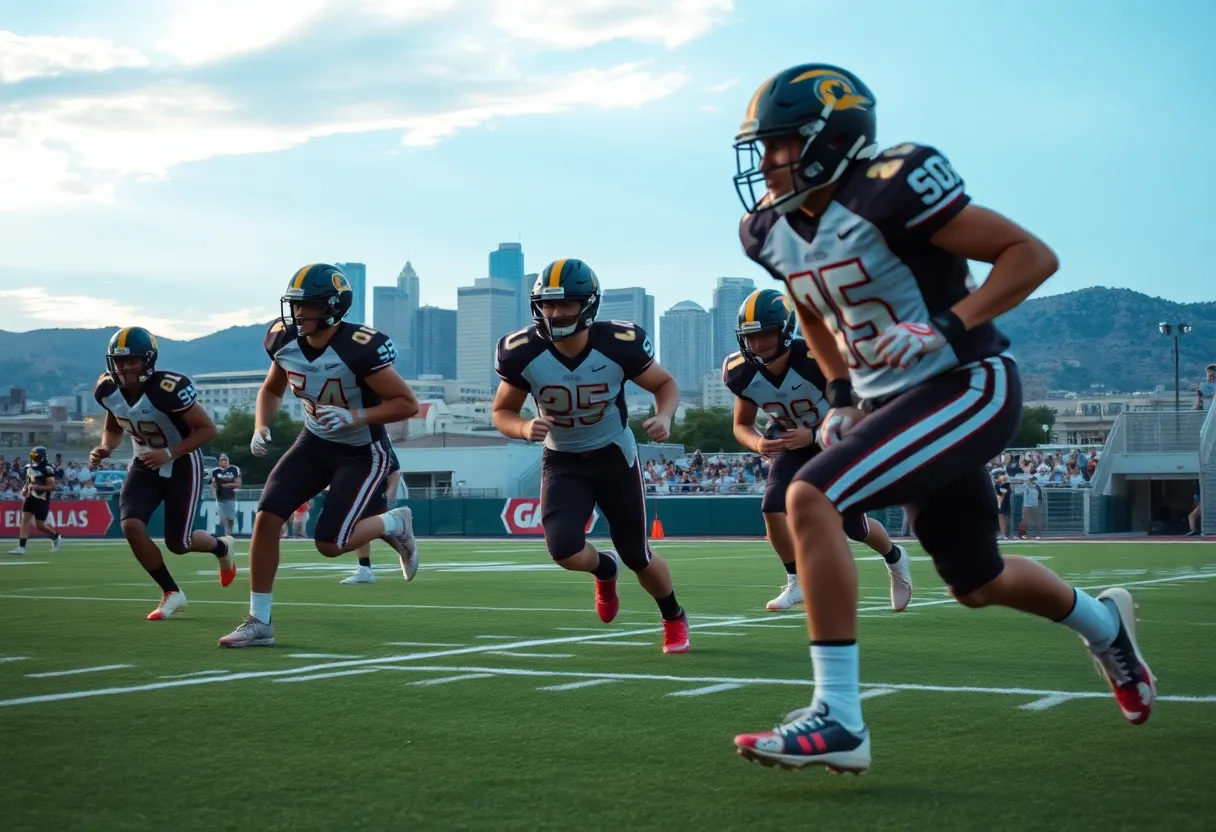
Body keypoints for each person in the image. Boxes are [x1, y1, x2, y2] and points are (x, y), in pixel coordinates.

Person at [728, 64, 1155, 774]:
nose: (765, 164)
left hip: (966, 382)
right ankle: (1107, 626)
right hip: (889, 402)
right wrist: (838, 393)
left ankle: (838, 716)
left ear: (829, 141)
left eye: (778, 145)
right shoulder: (768, 231)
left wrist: (947, 326)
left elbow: (1030, 255)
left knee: (812, 495)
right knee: (975, 580)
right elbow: (808, 302)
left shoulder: (891, 188)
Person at [492, 258, 690, 653]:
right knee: (563, 549)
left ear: (588, 305)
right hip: (562, 458)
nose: (556, 312)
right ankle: (604, 567)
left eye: (566, 303)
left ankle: (673, 616)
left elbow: (664, 383)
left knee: (637, 553)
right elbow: (502, 412)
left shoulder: (619, 343)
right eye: (548, 304)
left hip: (614, 454)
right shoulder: (521, 352)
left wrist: (664, 415)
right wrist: (522, 428)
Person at [218, 264, 419, 648]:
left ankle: (393, 523)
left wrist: (355, 415)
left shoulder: (359, 347)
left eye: (306, 306)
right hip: (313, 440)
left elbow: (407, 403)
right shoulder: (283, 340)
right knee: (266, 516)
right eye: (294, 305)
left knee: (329, 544)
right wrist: (262, 425)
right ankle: (260, 620)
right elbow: (271, 389)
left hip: (362, 449)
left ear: (331, 306)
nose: (296, 314)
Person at [723, 288, 912, 611]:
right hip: (787, 441)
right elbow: (741, 424)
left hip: (836, 438)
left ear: (784, 329)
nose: (756, 344)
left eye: (764, 335)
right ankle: (797, 581)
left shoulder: (816, 358)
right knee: (772, 508)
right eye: (749, 337)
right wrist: (758, 442)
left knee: (854, 527)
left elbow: (860, 412)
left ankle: (895, 558)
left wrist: (811, 436)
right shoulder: (741, 371)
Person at [89, 327, 236, 620]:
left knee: (178, 544)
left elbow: (208, 429)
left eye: (132, 360)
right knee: (131, 525)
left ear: (148, 360)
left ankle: (222, 546)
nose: (125, 367)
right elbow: (115, 423)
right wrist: (106, 447)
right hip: (144, 462)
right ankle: (171, 591)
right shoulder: (107, 388)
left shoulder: (167, 388)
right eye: (119, 361)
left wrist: (170, 452)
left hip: (182, 462)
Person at [340, 438, 405, 584]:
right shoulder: (347, 440)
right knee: (364, 528)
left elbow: (394, 471)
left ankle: (405, 550)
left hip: (373, 491)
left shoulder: (375, 438)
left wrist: (390, 496)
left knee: (366, 527)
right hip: (359, 491)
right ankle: (366, 568)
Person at [7, 447, 61, 555]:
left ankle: (55, 536)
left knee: (39, 525)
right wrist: (24, 490)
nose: (33, 457)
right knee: (24, 521)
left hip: (42, 499)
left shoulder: (47, 469)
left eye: (35, 455)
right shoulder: (29, 467)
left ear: (41, 456)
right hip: (31, 497)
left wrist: (38, 488)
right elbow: (28, 482)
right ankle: (21, 547)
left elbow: (52, 487)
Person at [210, 454, 242, 535]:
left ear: (228, 461)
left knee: (230, 518)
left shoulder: (234, 469)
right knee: (222, 519)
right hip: (219, 497)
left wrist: (226, 485)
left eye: (225, 460)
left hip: (230, 497)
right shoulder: (215, 471)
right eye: (221, 460)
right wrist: (213, 488)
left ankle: (230, 533)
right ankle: (222, 534)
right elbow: (213, 483)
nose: (223, 462)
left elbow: (238, 484)